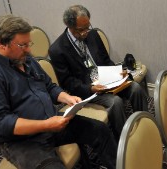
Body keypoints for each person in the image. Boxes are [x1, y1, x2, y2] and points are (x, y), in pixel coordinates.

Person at [0, 14, 117, 169]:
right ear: (2, 44)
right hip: (22, 141)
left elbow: (49, 86)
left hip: (49, 121)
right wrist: (45, 125)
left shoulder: (25, 59)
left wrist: (67, 98)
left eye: (28, 43)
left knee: (100, 130)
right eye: (22, 45)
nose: (29, 49)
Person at [49, 5, 148, 140]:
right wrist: (90, 88)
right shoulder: (57, 50)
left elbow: (106, 60)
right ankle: (126, 141)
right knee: (116, 102)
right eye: (81, 30)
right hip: (87, 89)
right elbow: (68, 82)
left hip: (107, 79)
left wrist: (118, 72)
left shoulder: (93, 35)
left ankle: (146, 125)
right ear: (70, 26)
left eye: (87, 27)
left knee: (136, 88)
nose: (85, 32)